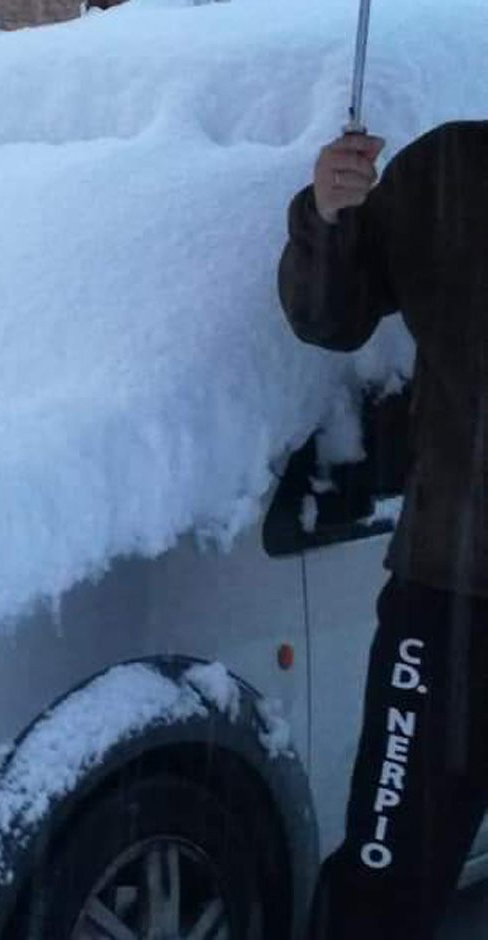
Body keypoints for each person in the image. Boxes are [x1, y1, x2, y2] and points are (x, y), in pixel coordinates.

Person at [278, 124, 488, 940]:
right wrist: (329, 215)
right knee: (384, 880)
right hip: (446, 603)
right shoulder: (450, 170)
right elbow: (331, 316)